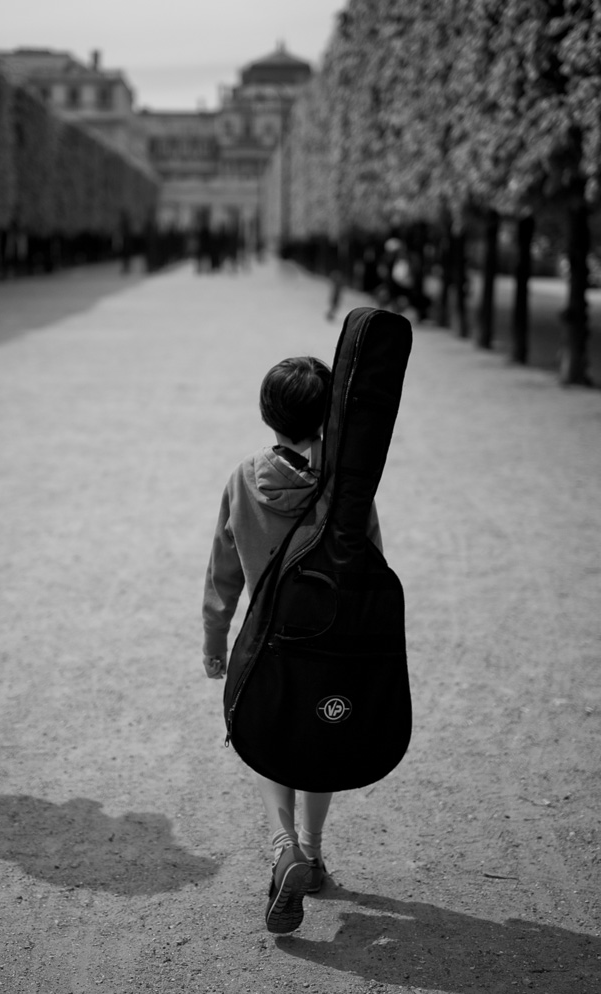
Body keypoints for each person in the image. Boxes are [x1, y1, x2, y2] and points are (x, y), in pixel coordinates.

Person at [201, 356, 382, 934]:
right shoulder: (347, 486)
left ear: (266, 413)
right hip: (331, 642)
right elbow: (371, 565)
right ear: (328, 416)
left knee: (270, 741)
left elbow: (222, 567)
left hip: (268, 643)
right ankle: (314, 850)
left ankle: (285, 850)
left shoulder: (242, 478)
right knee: (319, 740)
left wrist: (214, 638)